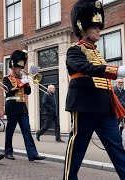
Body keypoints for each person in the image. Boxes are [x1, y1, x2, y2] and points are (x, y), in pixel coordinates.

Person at [64, 1, 125, 179]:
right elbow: (86, 68)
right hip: (85, 108)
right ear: (83, 28)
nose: (99, 30)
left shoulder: (98, 53)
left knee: (118, 149)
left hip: (105, 110)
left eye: (99, 26)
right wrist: (117, 70)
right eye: (94, 26)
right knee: (76, 151)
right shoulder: (74, 51)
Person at [3, 50, 46, 161]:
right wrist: (21, 83)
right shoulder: (6, 79)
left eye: (21, 68)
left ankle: (32, 154)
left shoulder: (22, 78)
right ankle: (8, 152)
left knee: (27, 131)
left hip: (22, 108)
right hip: (12, 107)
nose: (20, 70)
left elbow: (28, 92)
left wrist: (26, 82)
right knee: (10, 131)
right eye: (18, 68)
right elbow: (9, 91)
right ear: (13, 67)